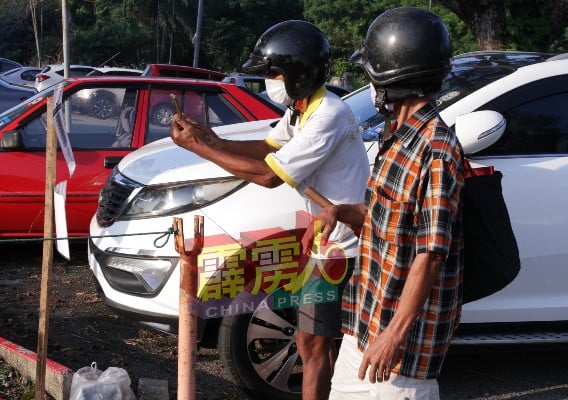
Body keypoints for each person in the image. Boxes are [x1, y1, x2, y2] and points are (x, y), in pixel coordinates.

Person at [171, 20, 370, 400]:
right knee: (317, 343)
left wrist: (201, 148)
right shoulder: (303, 110)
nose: (268, 80)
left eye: (273, 72)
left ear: (297, 73)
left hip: (340, 247)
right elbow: (267, 148)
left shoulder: (327, 114)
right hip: (327, 239)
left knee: (311, 344)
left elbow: (267, 175)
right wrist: (211, 138)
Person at [305, 7, 464, 400]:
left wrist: (393, 336)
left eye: (373, 76)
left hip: (399, 365)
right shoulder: (396, 139)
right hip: (361, 332)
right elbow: (384, 218)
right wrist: (340, 212)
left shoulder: (437, 149)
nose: (370, 86)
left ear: (396, 78)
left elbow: (430, 254)